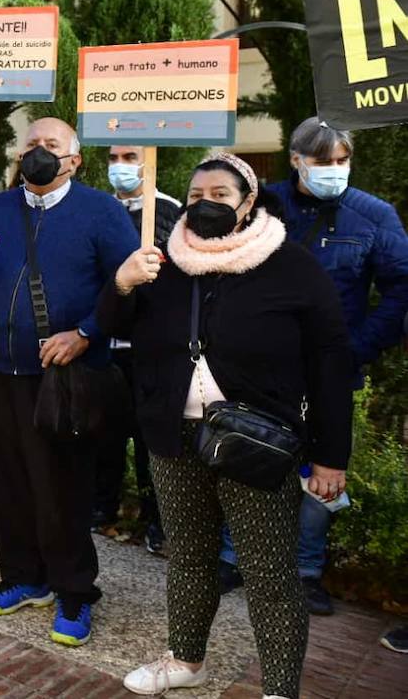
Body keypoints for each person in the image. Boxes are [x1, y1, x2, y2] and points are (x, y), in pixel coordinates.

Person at [100, 152, 353, 699]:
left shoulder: (290, 265)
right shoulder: (162, 262)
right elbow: (113, 327)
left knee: (270, 575)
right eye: (195, 196)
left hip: (256, 442)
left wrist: (331, 455)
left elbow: (332, 360)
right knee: (189, 557)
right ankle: (187, 659)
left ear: (247, 203)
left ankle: (279, 688)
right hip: (175, 438)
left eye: (219, 196)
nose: (205, 205)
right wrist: (121, 284)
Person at [0, 117, 136, 647]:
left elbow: (130, 288)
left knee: (62, 488)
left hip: (64, 374)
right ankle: (22, 577)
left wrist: (86, 333)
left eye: (51, 145)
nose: (38, 153)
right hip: (0, 370)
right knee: (8, 482)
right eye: (30, 145)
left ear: (74, 160)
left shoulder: (100, 212)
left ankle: (74, 592)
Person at [241, 117, 408, 618]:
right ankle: (236, 558)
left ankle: (306, 571)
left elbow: (402, 285)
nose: (335, 170)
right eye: (322, 162)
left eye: (342, 161)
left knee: (322, 473)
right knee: (246, 455)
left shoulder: (374, 216)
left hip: (332, 368)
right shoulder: (265, 204)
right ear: (296, 159)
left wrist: (359, 346)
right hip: (260, 364)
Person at [96, 144, 183, 552]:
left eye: (129, 158)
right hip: (104, 344)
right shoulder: (99, 209)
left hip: (149, 348)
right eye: (113, 158)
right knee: (105, 434)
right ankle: (102, 507)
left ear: (149, 159)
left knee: (153, 441)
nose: (120, 166)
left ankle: (156, 520)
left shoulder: (169, 211)